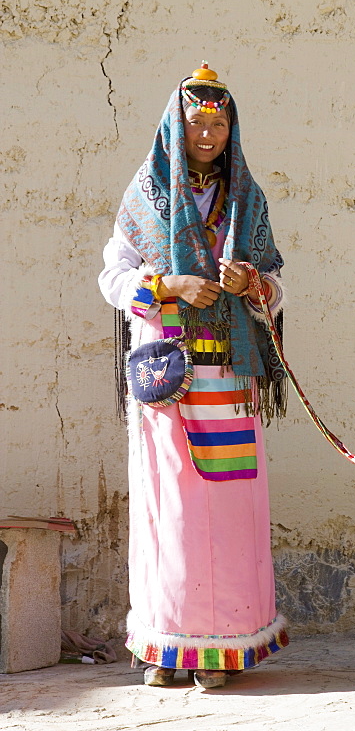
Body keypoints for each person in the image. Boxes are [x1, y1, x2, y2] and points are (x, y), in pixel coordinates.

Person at [99, 62, 288, 689]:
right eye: (197, 122)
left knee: (230, 507)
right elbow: (114, 277)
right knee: (169, 506)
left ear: (232, 127)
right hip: (168, 378)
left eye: (219, 122)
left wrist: (253, 283)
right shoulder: (145, 194)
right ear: (176, 127)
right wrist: (165, 285)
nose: (208, 134)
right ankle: (165, 647)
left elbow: (274, 288)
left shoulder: (248, 199)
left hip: (231, 379)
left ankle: (224, 648)